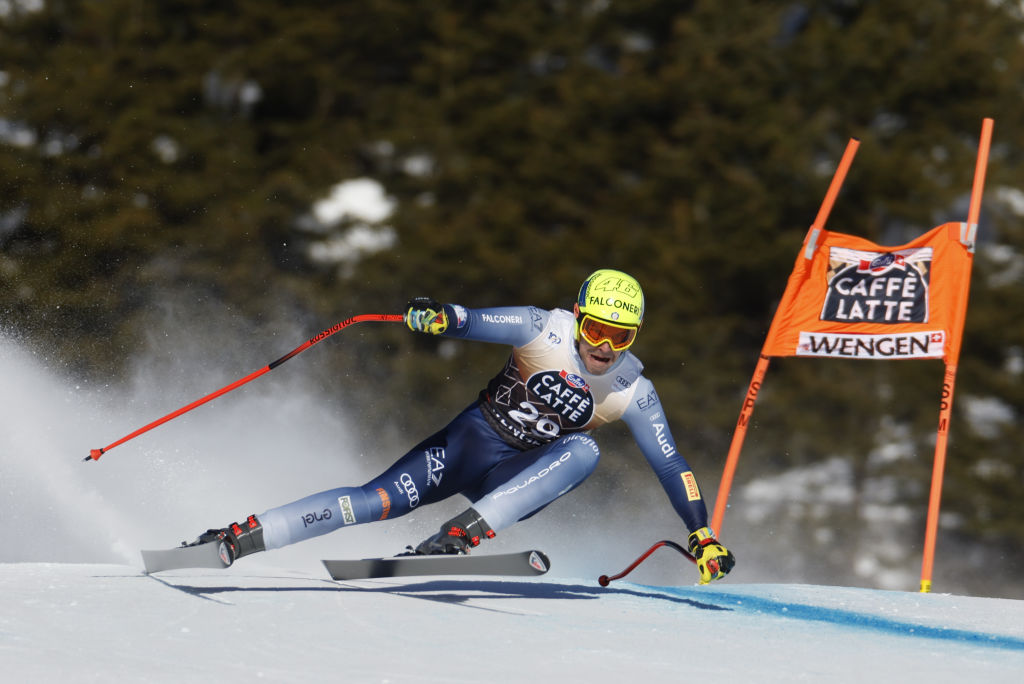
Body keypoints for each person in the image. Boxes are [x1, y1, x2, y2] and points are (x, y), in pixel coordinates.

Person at [191, 269, 736, 584]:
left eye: (621, 337)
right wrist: (439, 316)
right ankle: (242, 535)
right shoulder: (543, 329)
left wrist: (702, 533)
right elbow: (473, 320)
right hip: (465, 446)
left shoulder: (632, 391)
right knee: (371, 501)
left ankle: (460, 535)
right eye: (596, 329)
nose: (603, 348)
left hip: (513, 480)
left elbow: (671, 463)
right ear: (579, 315)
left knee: (584, 450)